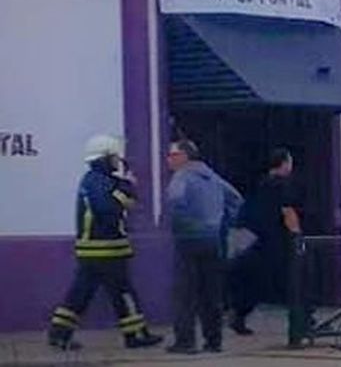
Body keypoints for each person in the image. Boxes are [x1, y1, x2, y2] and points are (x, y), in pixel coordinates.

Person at [46, 135, 164, 350]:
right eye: (114, 157)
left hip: (90, 251)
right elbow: (111, 209)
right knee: (123, 292)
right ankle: (136, 334)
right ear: (105, 158)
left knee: (80, 293)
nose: (117, 162)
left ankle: (59, 333)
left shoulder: (90, 180)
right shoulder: (104, 183)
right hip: (108, 251)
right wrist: (128, 187)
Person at [164, 139, 242, 354]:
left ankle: (186, 341)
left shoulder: (182, 177)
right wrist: (222, 223)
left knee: (185, 293)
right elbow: (235, 199)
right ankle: (214, 340)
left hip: (188, 239)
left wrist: (180, 224)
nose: (168, 160)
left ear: (184, 157)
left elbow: (175, 201)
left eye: (172, 155)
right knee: (211, 292)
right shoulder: (212, 177)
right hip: (213, 239)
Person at [227, 148, 299, 336]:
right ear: (284, 163)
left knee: (256, 281)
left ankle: (239, 314)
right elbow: (287, 210)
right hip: (278, 240)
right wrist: (297, 235)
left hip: (258, 238)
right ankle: (304, 319)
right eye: (289, 162)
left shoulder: (261, 183)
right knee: (293, 279)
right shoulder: (282, 185)